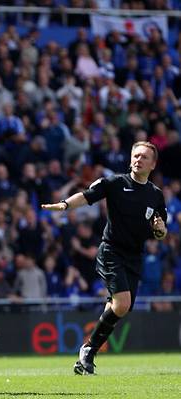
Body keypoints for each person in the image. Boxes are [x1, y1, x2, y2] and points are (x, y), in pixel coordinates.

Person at [42, 141, 167, 375]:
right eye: (135, 155)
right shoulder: (115, 183)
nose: (138, 160)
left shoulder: (155, 195)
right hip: (111, 251)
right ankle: (88, 350)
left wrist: (160, 229)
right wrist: (64, 205)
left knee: (119, 307)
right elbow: (87, 196)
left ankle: (87, 355)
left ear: (153, 164)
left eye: (144, 157)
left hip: (134, 256)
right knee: (122, 303)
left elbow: (160, 232)